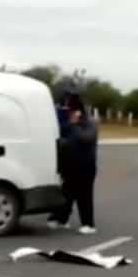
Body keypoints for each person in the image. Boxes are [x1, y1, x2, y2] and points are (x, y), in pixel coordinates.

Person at [48, 94, 99, 235]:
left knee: (84, 196)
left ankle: (89, 224)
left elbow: (86, 139)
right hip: (70, 165)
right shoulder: (68, 123)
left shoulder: (89, 123)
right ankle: (60, 219)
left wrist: (75, 124)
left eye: (70, 109)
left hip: (85, 166)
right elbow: (61, 138)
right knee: (67, 194)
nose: (68, 112)